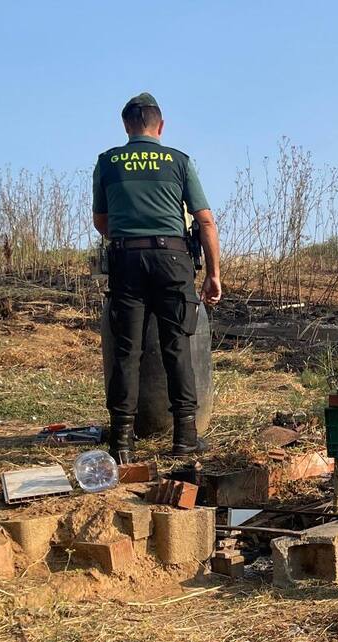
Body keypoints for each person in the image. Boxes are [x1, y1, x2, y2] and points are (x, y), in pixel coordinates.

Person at [92, 92, 221, 461]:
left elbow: (102, 222)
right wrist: (214, 274)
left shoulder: (108, 162)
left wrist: (131, 239)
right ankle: (184, 438)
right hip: (173, 260)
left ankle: (121, 443)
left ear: (126, 126)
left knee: (126, 350)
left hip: (125, 260)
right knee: (177, 346)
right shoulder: (178, 161)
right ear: (159, 126)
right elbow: (205, 220)